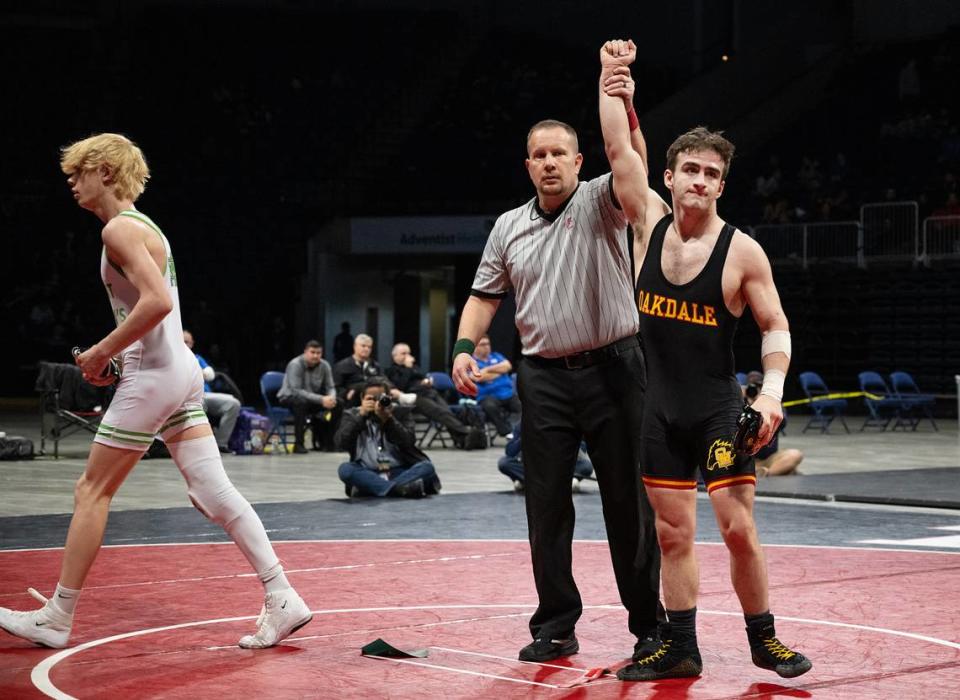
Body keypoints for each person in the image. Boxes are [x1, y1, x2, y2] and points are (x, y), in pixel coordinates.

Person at [0, 133, 311, 650]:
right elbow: (155, 315)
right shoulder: (144, 226)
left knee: (90, 491)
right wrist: (120, 355)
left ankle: (57, 617)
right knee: (211, 492)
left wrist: (102, 353)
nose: (71, 183)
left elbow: (159, 303)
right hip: (175, 371)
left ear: (103, 171)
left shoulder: (119, 230)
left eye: (77, 173)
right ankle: (282, 596)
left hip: (154, 379)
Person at [596, 41, 811, 681]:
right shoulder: (646, 226)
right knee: (671, 535)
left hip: (719, 411)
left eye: (711, 174)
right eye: (690, 168)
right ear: (669, 176)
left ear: (722, 184)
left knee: (737, 529)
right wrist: (613, 79)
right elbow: (617, 150)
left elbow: (775, 327)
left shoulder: (743, 253)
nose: (699, 180)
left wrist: (770, 392)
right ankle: (681, 647)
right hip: (658, 411)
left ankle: (763, 638)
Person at [450, 74, 663, 662]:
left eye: (558, 155)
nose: (548, 164)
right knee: (545, 504)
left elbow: (633, 165)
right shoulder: (507, 226)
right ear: (528, 165)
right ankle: (556, 624)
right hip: (542, 377)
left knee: (628, 501)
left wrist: (619, 95)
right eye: (538, 156)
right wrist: (463, 347)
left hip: (616, 369)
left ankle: (649, 623)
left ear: (577, 160)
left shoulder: (602, 199)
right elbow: (484, 296)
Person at [335, 377, 441, 498]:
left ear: (389, 397)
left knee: (426, 467)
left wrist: (388, 419)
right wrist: (361, 416)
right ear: (362, 399)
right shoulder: (352, 415)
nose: (376, 403)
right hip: (367, 471)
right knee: (346, 470)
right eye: (371, 398)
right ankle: (399, 489)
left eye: (380, 398)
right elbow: (340, 443)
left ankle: (374, 489)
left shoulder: (401, 413)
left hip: (399, 470)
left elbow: (408, 442)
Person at [385, 342, 477, 447]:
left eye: (408, 353)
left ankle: (462, 439)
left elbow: (422, 377)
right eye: (403, 353)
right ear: (395, 356)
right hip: (414, 398)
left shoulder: (414, 367)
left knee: (446, 411)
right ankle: (466, 432)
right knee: (439, 412)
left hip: (429, 392)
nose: (407, 356)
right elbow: (401, 386)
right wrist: (408, 369)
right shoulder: (391, 371)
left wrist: (427, 381)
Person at [183, 329, 241, 453]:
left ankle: (221, 444)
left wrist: (198, 372)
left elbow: (210, 375)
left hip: (206, 394)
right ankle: (200, 446)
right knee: (199, 405)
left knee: (233, 404)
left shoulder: (197, 358)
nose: (185, 345)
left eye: (187, 342)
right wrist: (199, 373)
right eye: (182, 342)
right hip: (188, 397)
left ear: (192, 343)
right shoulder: (174, 359)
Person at [277, 340, 340, 454]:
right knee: (300, 403)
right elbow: (296, 391)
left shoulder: (324, 365)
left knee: (338, 403)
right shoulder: (295, 364)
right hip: (289, 397)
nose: (316, 356)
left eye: (319, 353)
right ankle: (299, 444)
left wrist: (331, 398)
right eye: (312, 352)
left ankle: (329, 443)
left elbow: (331, 386)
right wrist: (321, 399)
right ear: (305, 352)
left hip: (312, 399)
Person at [498, 423, 592, 493]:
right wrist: (524, 437)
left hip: (560, 465)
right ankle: (558, 483)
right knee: (504, 463)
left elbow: (582, 449)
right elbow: (510, 452)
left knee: (586, 466)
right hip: (535, 467)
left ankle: (529, 482)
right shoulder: (523, 423)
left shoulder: (564, 422)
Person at [743, 371, 803, 477]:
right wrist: (750, 405)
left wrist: (763, 401)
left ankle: (766, 473)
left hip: (769, 459)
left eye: (759, 387)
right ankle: (779, 471)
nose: (756, 391)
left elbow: (782, 422)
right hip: (746, 459)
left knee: (795, 454)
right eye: (752, 388)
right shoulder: (740, 403)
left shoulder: (772, 403)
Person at [472, 335, 521, 438]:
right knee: (490, 407)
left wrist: (486, 370)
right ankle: (507, 432)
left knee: (522, 405)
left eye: (488, 344)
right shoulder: (471, 362)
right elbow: (477, 378)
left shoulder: (496, 356)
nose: (487, 347)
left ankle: (516, 429)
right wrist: (500, 372)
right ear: (475, 347)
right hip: (487, 396)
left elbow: (508, 366)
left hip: (507, 393)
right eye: (483, 344)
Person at [333, 334, 381, 408]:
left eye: (369, 347)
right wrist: (347, 393)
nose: (366, 349)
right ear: (354, 346)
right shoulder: (341, 366)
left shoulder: (375, 365)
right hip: (351, 406)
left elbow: (382, 381)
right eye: (363, 346)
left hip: (373, 404)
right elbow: (335, 388)